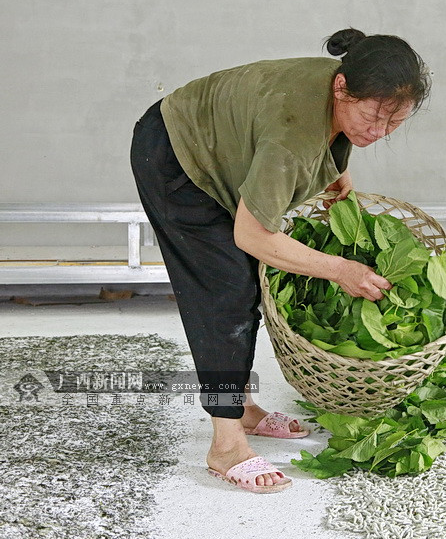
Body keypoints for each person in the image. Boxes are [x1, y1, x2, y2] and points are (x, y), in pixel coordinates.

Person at [130, 29, 430, 493]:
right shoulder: (294, 136)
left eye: (394, 124)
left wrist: (338, 166)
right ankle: (225, 443)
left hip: (217, 141)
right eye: (372, 117)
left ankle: (242, 408)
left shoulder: (343, 86)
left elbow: (329, 129)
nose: (377, 132)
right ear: (341, 87)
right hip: (175, 154)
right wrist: (339, 269)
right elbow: (252, 234)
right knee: (226, 293)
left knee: (246, 280)